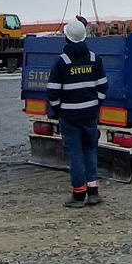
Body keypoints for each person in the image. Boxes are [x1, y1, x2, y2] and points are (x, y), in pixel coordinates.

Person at [45, 20, 107, 207]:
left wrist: (59, 109)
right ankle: (93, 193)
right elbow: (103, 86)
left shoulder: (62, 62)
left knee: (75, 154)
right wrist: (95, 105)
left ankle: (78, 195)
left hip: (69, 116)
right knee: (89, 150)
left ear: (67, 37)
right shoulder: (95, 59)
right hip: (90, 114)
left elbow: (53, 92)